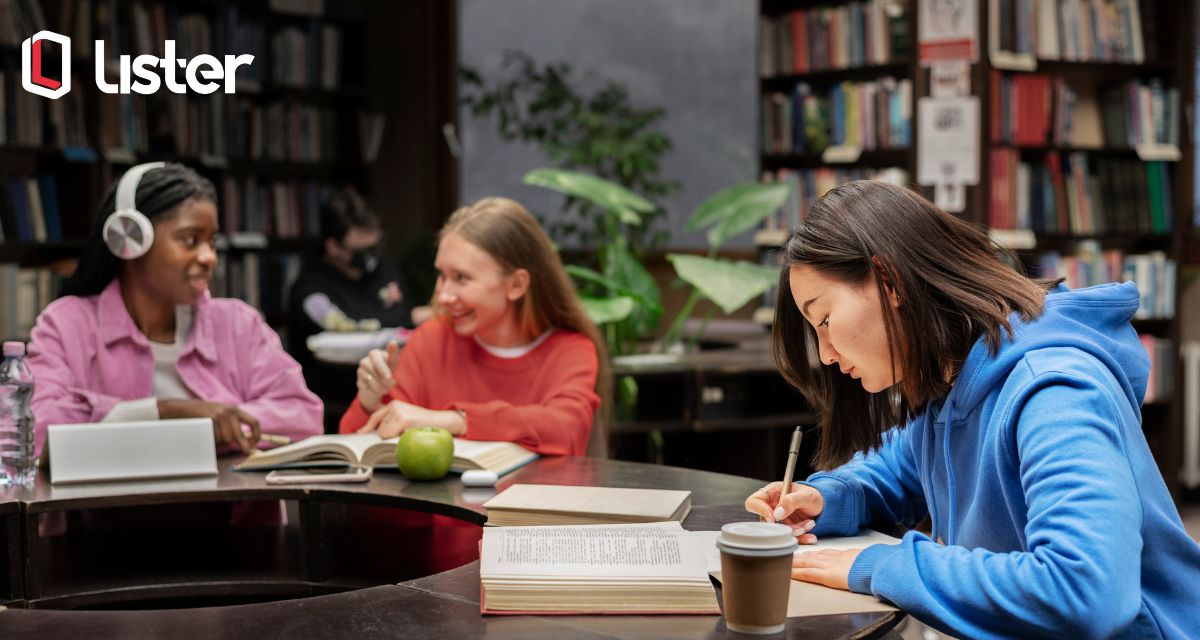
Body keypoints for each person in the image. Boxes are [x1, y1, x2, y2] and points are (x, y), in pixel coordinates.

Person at [744, 180, 1200, 638]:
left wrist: (881, 564)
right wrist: (828, 498)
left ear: (889, 282)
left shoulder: (1053, 390)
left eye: (823, 319)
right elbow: (895, 472)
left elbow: (1085, 591)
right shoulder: (949, 383)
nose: (824, 354)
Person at [28, 162, 323, 458]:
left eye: (212, 242)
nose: (209, 257)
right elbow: (35, 431)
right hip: (111, 506)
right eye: (190, 240)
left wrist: (210, 429)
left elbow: (302, 416)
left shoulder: (238, 324)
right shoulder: (67, 324)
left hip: (231, 503)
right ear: (130, 239)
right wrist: (166, 411)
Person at [339, 197, 607, 457]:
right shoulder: (432, 339)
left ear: (516, 285)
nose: (443, 295)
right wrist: (368, 401)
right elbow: (355, 448)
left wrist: (457, 420)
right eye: (442, 275)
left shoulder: (569, 350)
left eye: (461, 278)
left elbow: (566, 428)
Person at [287, 188, 430, 432]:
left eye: (375, 246)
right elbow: (345, 325)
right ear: (333, 247)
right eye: (361, 252)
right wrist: (409, 317)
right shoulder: (310, 289)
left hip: (390, 392)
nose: (371, 258)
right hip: (335, 402)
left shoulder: (383, 268)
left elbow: (400, 311)